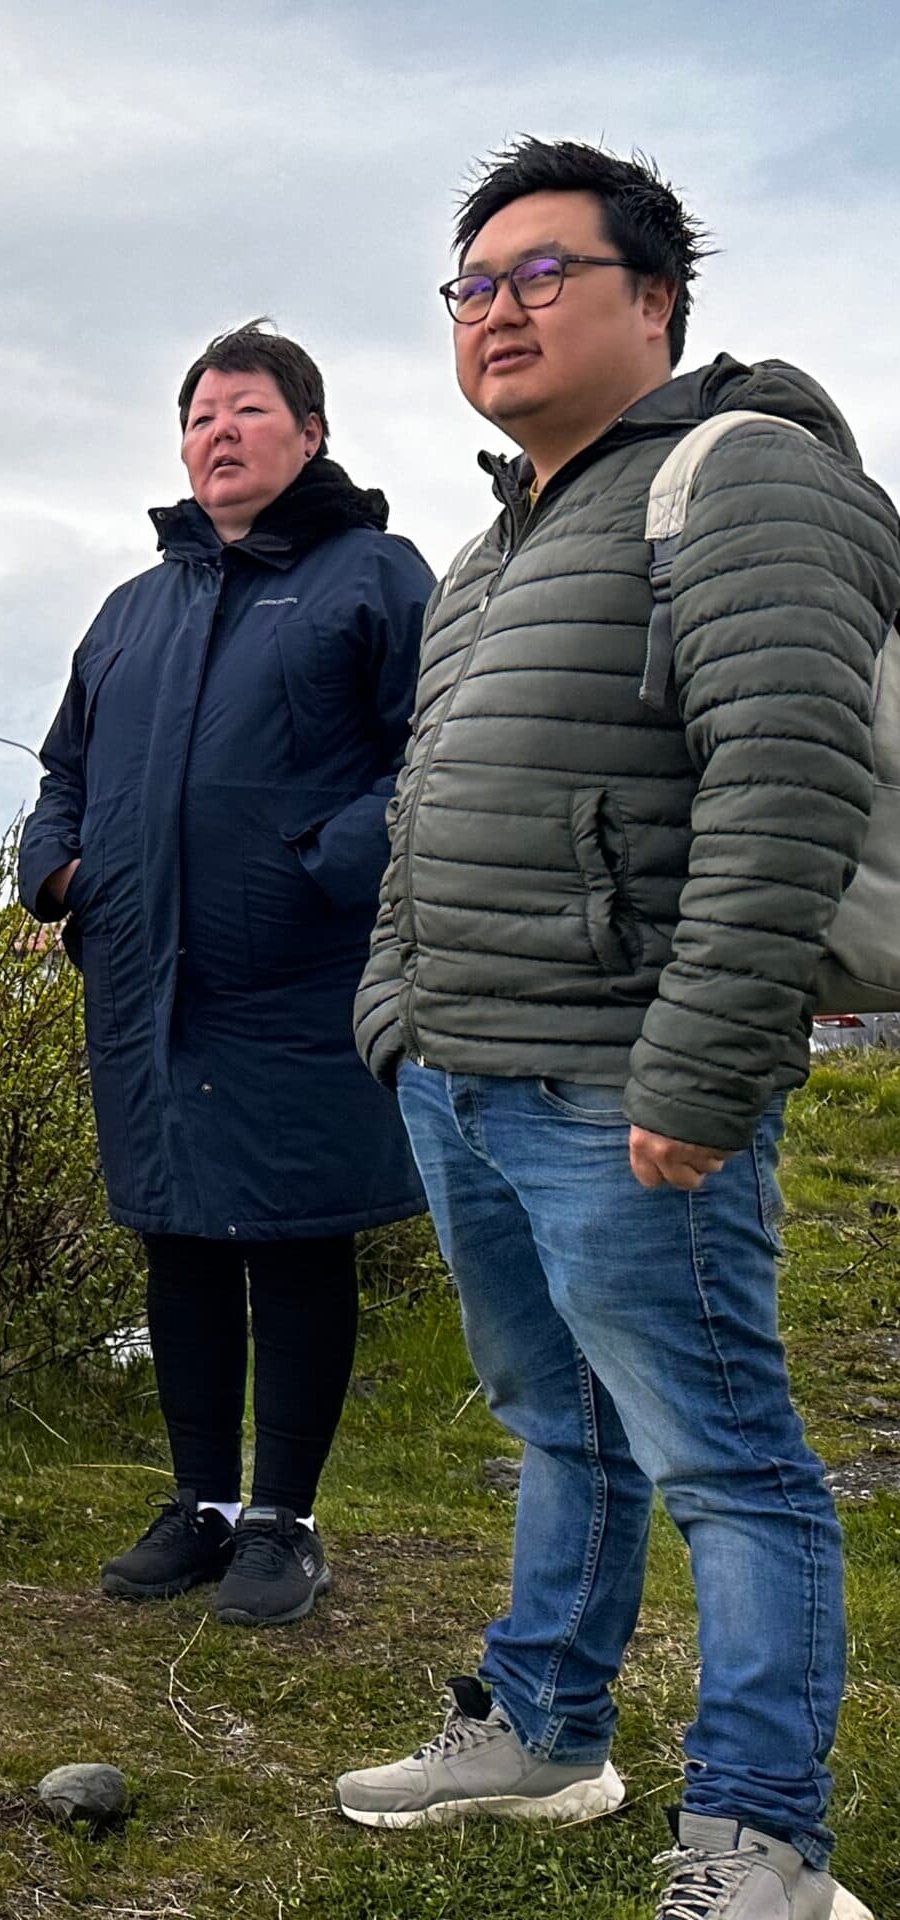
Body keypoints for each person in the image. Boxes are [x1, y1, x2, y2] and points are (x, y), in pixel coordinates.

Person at [338, 139, 897, 1920]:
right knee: (558, 1420)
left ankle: (760, 1842)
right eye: (472, 285)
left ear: (655, 298)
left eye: (542, 273)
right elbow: (430, 795)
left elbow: (788, 784)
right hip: (465, 1068)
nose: (498, 310)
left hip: (620, 1076)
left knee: (729, 1459)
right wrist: (395, 1019)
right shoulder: (498, 543)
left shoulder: (745, 479)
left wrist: (710, 1063)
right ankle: (548, 1731)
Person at [18, 324, 431, 1628]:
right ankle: (199, 1506)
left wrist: (327, 862)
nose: (218, 434)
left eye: (245, 411)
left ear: (308, 432)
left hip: (295, 980)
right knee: (179, 1238)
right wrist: (56, 875)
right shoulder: (134, 610)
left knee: (294, 1238)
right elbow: (62, 776)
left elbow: (430, 751)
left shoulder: (373, 576)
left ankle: (284, 1521)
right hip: (146, 981)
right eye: (199, 416)